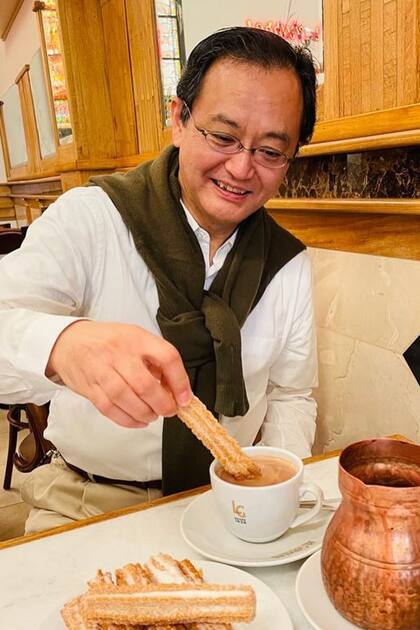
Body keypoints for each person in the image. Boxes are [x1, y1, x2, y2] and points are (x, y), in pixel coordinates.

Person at [0, 27, 318, 534]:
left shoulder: (288, 263)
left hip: (227, 501)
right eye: (223, 136)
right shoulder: (93, 219)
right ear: (178, 119)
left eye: (270, 151)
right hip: (86, 499)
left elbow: (290, 395)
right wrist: (64, 344)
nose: (241, 167)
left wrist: (277, 488)